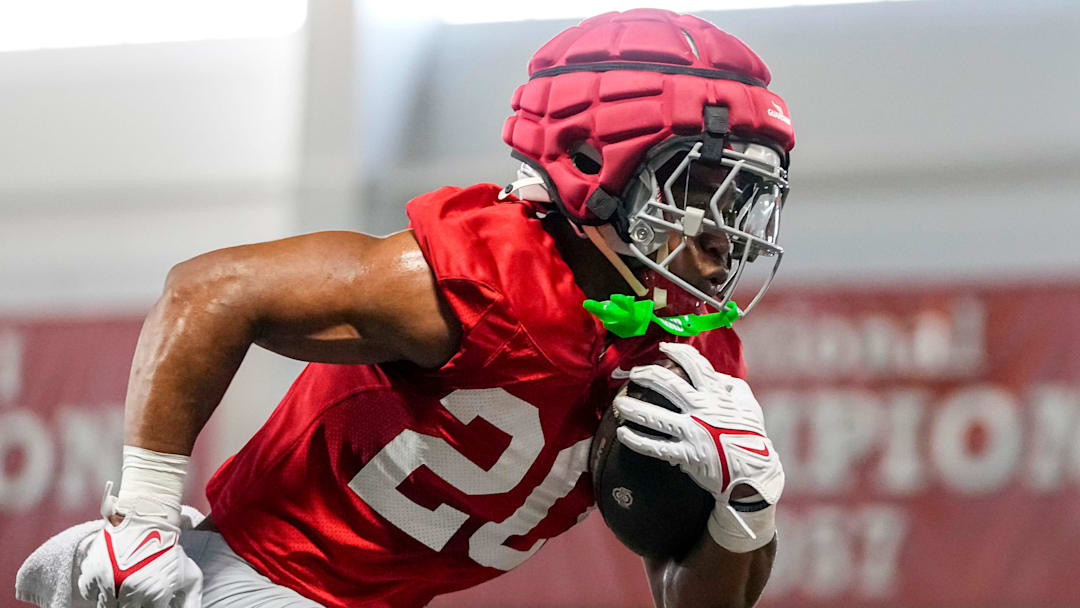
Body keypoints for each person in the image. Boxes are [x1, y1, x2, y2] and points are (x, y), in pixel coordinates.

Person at [73, 8, 793, 608]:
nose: (728, 229)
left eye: (745, 195)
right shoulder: (485, 274)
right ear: (589, 159)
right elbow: (206, 290)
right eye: (700, 187)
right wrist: (143, 518)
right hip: (264, 575)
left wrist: (746, 504)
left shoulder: (691, 348)